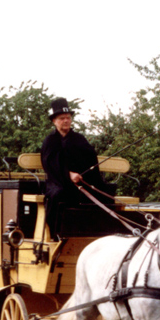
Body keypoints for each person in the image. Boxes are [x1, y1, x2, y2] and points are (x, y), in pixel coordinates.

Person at [40, 97, 108, 238]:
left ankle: (98, 233)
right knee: (59, 193)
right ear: (54, 121)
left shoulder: (79, 139)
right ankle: (57, 234)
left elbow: (91, 160)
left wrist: (86, 177)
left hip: (80, 180)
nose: (66, 121)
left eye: (68, 117)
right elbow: (50, 164)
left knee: (103, 192)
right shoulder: (50, 141)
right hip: (57, 181)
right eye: (61, 118)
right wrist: (68, 174)